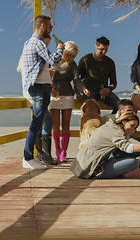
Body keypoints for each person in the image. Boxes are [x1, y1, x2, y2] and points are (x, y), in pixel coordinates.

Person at [19, 14, 65, 169]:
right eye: (50, 27)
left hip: (40, 87)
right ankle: (28, 157)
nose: (51, 30)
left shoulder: (30, 43)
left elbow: (41, 66)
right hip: (39, 88)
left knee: (40, 121)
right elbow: (53, 60)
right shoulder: (37, 43)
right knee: (37, 122)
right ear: (43, 26)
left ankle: (34, 156)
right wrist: (60, 50)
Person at [70, 112, 140, 179]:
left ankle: (123, 170)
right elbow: (128, 148)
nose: (133, 129)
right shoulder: (116, 132)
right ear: (124, 121)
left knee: (136, 153)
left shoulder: (110, 125)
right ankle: (124, 173)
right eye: (132, 125)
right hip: (91, 170)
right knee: (133, 162)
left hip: (83, 164)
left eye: (135, 127)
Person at [18, 36, 56, 166]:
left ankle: (40, 154)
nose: (46, 48)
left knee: (40, 122)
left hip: (34, 92)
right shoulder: (34, 53)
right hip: (33, 94)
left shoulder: (32, 56)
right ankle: (38, 154)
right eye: (47, 44)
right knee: (41, 122)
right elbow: (32, 77)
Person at [49, 41, 90, 162]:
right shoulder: (52, 60)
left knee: (66, 124)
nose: (71, 58)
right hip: (53, 95)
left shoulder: (72, 65)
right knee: (55, 125)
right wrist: (51, 89)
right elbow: (45, 77)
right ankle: (57, 149)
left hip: (67, 95)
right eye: (69, 55)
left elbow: (76, 80)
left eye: (73, 56)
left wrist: (83, 88)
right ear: (64, 52)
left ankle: (63, 153)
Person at [78, 36, 120, 114]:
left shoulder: (110, 62)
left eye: (106, 49)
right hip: (89, 90)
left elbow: (113, 83)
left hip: (103, 91)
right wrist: (80, 90)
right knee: (93, 109)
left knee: (120, 106)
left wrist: (109, 89)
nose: (104, 52)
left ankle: (110, 123)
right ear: (95, 46)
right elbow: (75, 78)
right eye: (101, 49)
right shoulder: (85, 59)